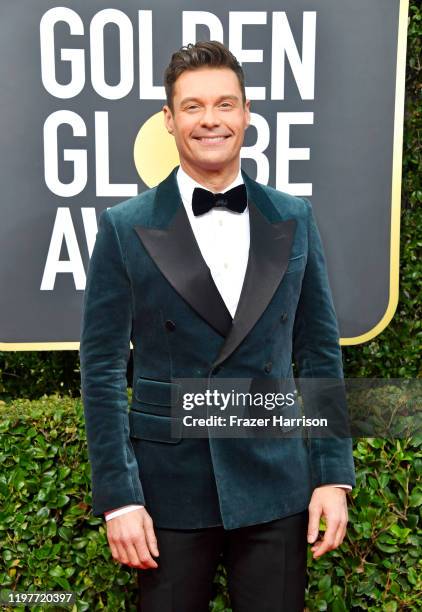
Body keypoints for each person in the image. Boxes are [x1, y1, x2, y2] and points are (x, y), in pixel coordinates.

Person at [80, 40, 355, 612]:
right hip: (167, 492)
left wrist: (332, 475)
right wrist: (119, 499)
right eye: (193, 106)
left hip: (276, 484)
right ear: (169, 120)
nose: (211, 120)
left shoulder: (293, 216)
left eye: (225, 104)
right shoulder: (125, 227)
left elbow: (319, 352)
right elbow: (102, 369)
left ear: (247, 113)